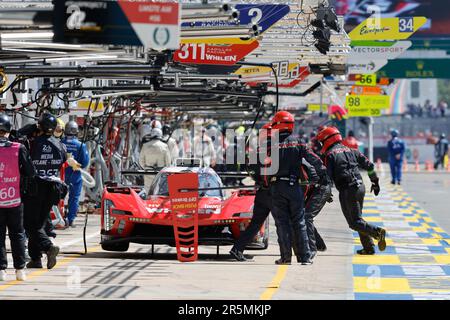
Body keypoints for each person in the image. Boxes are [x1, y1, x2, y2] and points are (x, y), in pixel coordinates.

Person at [269, 111, 328, 265]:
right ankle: (305, 258)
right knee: (299, 222)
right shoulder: (300, 142)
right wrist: (323, 174)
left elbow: (263, 167)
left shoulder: (270, 144)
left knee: (282, 224)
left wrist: (265, 183)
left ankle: (285, 258)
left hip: (277, 186)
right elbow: (314, 160)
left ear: (277, 124)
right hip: (295, 187)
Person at [316, 126, 386, 255]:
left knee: (354, 223)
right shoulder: (353, 151)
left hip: (347, 191)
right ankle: (368, 247)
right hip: (361, 187)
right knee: (358, 219)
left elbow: (327, 178)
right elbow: (370, 166)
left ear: (327, 140)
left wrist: (326, 194)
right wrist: (375, 182)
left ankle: (378, 232)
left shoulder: (330, 155)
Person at [24, 113, 70, 269]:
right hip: (53, 189)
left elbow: (14, 138)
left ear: (40, 126)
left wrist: (28, 130)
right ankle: (35, 259)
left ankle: (48, 247)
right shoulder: (61, 145)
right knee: (39, 224)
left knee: (30, 224)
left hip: (35, 187)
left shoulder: (31, 143)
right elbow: (63, 159)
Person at [229, 124, 273, 261]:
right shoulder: (276, 150)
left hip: (262, 191)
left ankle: (237, 249)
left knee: (255, 223)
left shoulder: (258, 151)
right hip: (274, 191)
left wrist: (259, 180)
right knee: (287, 222)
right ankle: (293, 254)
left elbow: (251, 170)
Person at [0, 114, 35, 281]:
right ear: (8, 131)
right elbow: (31, 172)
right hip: (14, 199)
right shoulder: (18, 148)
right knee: (17, 234)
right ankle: (20, 270)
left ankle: (1, 270)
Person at [301, 158, 332, 258]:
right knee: (302, 216)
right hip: (317, 189)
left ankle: (312, 249)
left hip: (320, 189)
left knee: (306, 217)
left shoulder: (300, 161)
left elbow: (313, 179)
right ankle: (320, 245)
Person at [62, 121, 90, 227]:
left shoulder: (60, 142)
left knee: (58, 196)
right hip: (75, 174)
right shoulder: (80, 145)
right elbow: (85, 162)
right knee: (74, 197)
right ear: (76, 132)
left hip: (61, 174)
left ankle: (58, 217)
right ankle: (70, 219)